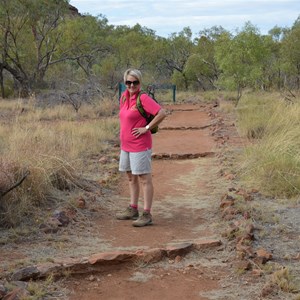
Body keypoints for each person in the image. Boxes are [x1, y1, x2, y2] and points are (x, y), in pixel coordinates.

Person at [116, 68, 166, 227]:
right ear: (124, 83)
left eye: (135, 82)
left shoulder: (143, 98)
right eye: (128, 82)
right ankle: (133, 209)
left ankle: (147, 214)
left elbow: (161, 113)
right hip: (126, 145)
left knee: (144, 179)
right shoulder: (124, 97)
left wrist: (147, 127)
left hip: (140, 145)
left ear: (139, 83)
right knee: (131, 177)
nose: (131, 85)